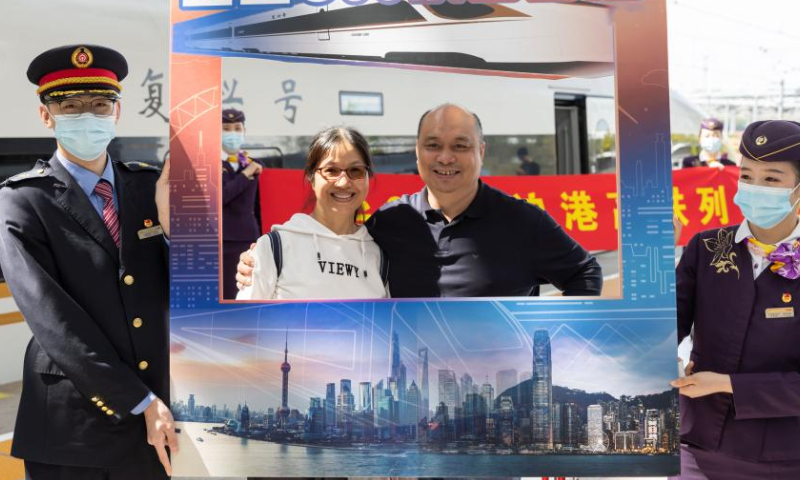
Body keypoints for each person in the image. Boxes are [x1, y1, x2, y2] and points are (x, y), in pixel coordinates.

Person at [0, 45, 176, 479]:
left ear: (117, 112)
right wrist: (140, 401)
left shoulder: (149, 186)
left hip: (157, 417)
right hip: (72, 425)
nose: (88, 115)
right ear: (47, 116)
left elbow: (181, 286)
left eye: (100, 104)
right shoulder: (23, 200)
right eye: (70, 106)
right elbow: (54, 319)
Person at [238, 104, 602, 297]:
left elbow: (585, 273)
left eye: (460, 146)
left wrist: (554, 335)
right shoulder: (389, 223)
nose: (445, 158)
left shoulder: (524, 222)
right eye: (433, 146)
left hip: (500, 394)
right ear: (418, 153)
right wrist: (259, 260)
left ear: (481, 151)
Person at [669, 120, 800, 479]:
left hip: (785, 455)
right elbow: (664, 326)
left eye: (772, 179)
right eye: (747, 175)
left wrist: (727, 384)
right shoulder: (707, 247)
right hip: (695, 444)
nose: (755, 188)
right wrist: (653, 253)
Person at [237, 126, 388, 300]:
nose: (344, 182)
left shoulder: (380, 256)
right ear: (311, 176)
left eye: (356, 171)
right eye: (331, 170)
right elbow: (243, 322)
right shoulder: (274, 247)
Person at [221, 107, 263, 299]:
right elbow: (220, 197)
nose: (232, 133)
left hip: (249, 237)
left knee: (248, 289)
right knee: (228, 292)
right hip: (222, 240)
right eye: (226, 128)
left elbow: (259, 205)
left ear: (244, 132)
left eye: (237, 128)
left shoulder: (253, 163)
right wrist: (246, 175)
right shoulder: (209, 164)